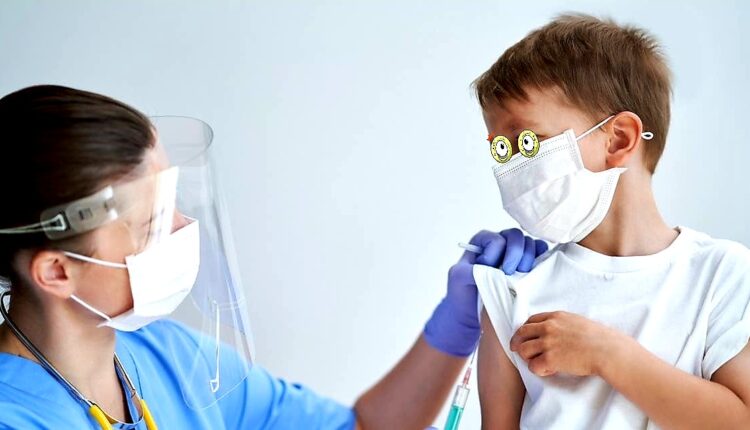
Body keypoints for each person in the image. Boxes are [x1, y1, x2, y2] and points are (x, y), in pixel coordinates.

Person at [0, 84, 547, 429]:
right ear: (57, 271)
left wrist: (453, 328)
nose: (183, 228)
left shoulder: (167, 357)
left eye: (173, 203)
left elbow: (360, 427)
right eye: (151, 224)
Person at [471, 14, 750, 429]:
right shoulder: (514, 291)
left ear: (619, 139)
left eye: (527, 141)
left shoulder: (720, 274)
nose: (514, 166)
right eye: (502, 149)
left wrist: (608, 354)